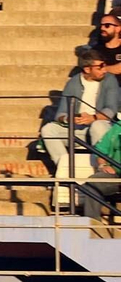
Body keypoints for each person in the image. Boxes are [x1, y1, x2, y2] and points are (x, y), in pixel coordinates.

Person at [41, 51, 117, 183]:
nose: (104, 70)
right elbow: (60, 114)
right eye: (100, 67)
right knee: (48, 130)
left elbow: (111, 109)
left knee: (97, 126)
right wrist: (69, 118)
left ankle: (100, 173)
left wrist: (93, 118)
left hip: (101, 126)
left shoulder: (110, 80)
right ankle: (65, 171)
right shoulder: (73, 83)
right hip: (78, 128)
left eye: (105, 66)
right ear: (87, 69)